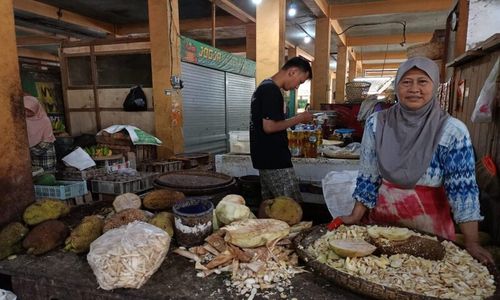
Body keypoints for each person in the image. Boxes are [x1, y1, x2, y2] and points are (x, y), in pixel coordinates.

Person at [340, 57, 494, 265]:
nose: (414, 89)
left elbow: (463, 191)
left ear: (435, 86)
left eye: (422, 81)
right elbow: (369, 175)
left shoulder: (452, 131)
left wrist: (472, 241)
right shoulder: (377, 123)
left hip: (430, 231)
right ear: (397, 86)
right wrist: (355, 215)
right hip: (382, 226)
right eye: (406, 82)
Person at [250, 56, 314, 202]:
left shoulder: (263, 87)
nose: (297, 87)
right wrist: (299, 118)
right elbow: (270, 127)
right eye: (300, 82)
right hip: (275, 160)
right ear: (292, 72)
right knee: (291, 207)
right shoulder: (271, 90)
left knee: (270, 206)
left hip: (264, 158)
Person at [24, 94, 57, 174]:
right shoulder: (23, 121)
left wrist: (28, 150)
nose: (27, 112)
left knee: (47, 178)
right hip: (31, 159)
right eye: (25, 109)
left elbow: (47, 141)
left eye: (30, 110)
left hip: (45, 155)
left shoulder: (44, 120)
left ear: (36, 109)